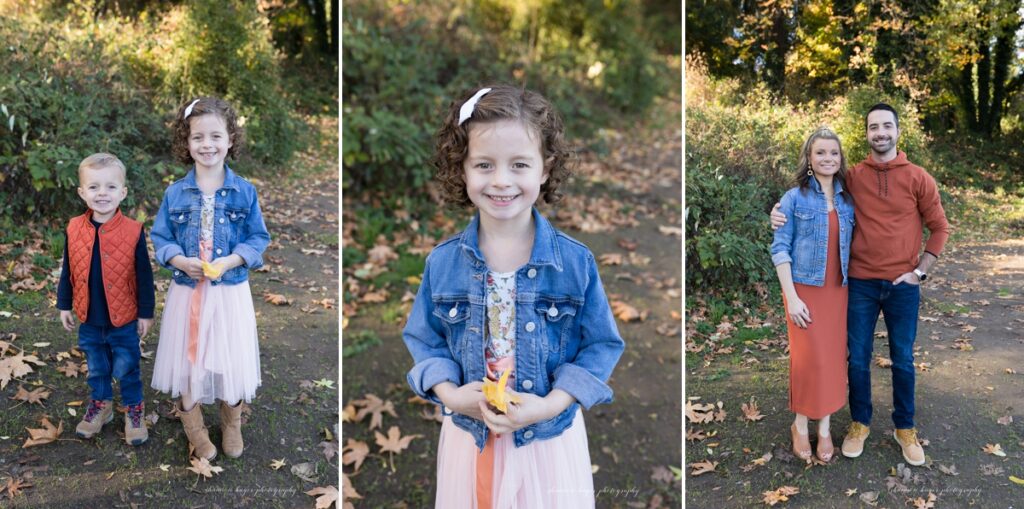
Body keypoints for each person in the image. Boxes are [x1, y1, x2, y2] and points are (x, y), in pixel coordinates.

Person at [403, 85, 625, 508]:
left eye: (519, 164)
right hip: (471, 437)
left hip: (545, 438)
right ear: (462, 169)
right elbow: (424, 338)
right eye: (484, 165)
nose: (501, 180)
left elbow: (600, 345)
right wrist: (450, 395)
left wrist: (548, 406)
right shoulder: (444, 263)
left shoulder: (574, 264)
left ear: (545, 168)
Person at [771, 103, 950, 466]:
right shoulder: (851, 178)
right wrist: (778, 211)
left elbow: (941, 227)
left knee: (903, 358)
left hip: (902, 284)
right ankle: (859, 423)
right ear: (866, 134)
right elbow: (808, 198)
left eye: (887, 126)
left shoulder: (918, 177)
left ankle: (905, 429)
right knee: (856, 359)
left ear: (898, 131)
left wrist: (920, 271)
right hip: (858, 284)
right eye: (874, 127)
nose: (880, 133)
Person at [150, 97, 270, 460]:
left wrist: (233, 259)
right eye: (198, 137)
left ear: (230, 139)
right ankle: (196, 430)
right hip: (188, 290)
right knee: (190, 359)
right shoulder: (175, 193)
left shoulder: (244, 191)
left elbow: (258, 237)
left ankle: (231, 422)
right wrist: (180, 260)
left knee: (230, 354)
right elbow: (161, 238)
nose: (207, 144)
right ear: (186, 144)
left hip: (229, 291)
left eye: (216, 136)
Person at [58, 153, 155, 446]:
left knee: (127, 365)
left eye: (111, 187)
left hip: (124, 317)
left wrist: (145, 313)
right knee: (97, 366)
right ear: (82, 192)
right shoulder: (74, 227)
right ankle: (101, 405)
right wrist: (64, 303)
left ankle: (134, 409)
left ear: (122, 192)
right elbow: (68, 269)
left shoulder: (133, 230)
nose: (102, 193)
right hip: (89, 316)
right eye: (94, 187)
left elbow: (144, 275)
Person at [771, 128, 854, 462]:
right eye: (820, 153)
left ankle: (824, 429)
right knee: (809, 360)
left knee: (833, 360)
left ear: (840, 158)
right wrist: (791, 297)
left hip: (839, 290)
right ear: (809, 157)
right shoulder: (793, 198)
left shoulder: (849, 198)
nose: (827, 159)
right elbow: (779, 249)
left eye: (833, 153)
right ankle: (800, 425)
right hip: (804, 288)